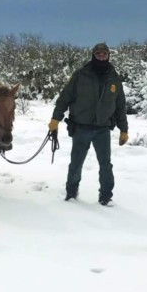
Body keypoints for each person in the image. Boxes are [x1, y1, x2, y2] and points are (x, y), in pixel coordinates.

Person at [48, 43, 129, 206]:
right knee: (76, 163)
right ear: (93, 55)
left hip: (103, 129)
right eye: (98, 54)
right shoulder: (80, 75)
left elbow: (120, 105)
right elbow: (65, 97)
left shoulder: (114, 78)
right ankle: (71, 191)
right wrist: (55, 119)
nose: (101, 57)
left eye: (104, 55)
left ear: (108, 56)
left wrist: (124, 129)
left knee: (105, 164)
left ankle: (106, 195)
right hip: (81, 127)